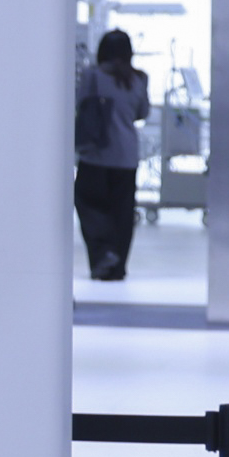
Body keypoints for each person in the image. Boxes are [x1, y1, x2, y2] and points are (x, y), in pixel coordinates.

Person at [73, 29, 149, 282]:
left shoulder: (92, 76)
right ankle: (118, 267)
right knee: (122, 213)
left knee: (88, 202)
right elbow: (142, 113)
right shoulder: (139, 79)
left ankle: (103, 254)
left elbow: (81, 104)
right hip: (127, 155)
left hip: (96, 153)